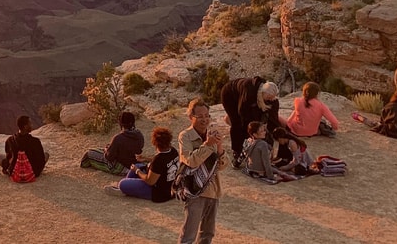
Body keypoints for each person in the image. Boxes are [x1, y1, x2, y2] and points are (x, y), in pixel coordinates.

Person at [178, 98, 225, 244]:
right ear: (191, 117)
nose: (204, 120)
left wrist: (219, 147)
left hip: (213, 189)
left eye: (207, 116)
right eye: (200, 117)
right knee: (188, 235)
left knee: (207, 234)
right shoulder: (185, 136)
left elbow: (222, 165)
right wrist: (207, 145)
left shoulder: (211, 134)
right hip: (195, 191)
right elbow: (191, 161)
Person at [221, 76, 284, 167]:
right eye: (269, 98)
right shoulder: (248, 95)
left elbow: (273, 119)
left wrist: (279, 133)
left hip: (248, 98)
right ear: (263, 94)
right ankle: (237, 152)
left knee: (259, 122)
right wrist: (253, 134)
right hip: (230, 95)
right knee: (237, 123)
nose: (271, 100)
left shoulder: (271, 98)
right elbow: (244, 116)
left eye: (272, 98)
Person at [105, 126, 178, 202]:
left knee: (122, 183)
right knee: (137, 165)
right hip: (168, 185)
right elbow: (164, 163)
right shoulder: (173, 151)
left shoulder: (158, 160)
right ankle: (127, 188)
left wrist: (137, 171)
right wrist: (146, 159)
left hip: (157, 192)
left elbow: (150, 181)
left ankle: (124, 189)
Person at [81, 111, 145, 175]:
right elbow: (139, 150)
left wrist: (107, 149)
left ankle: (86, 165)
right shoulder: (139, 135)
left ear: (121, 124)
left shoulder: (118, 138)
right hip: (134, 162)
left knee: (90, 152)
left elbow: (109, 157)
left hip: (121, 164)